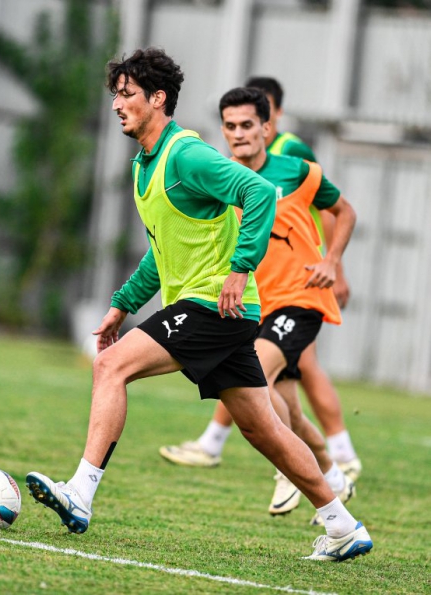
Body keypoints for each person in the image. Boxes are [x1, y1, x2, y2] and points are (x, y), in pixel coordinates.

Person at [25, 48, 372, 561]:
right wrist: (122, 305)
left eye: (127, 94)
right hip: (221, 311)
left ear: (158, 98)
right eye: (115, 95)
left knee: (111, 365)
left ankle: (80, 492)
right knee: (265, 429)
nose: (116, 104)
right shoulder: (145, 165)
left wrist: (240, 268)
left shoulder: (185, 154)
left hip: (214, 304)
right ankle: (343, 526)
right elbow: (160, 252)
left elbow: (259, 192)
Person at [160, 76, 361, 516]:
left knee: (259, 382)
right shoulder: (218, 179)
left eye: (247, 125)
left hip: (300, 300)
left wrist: (332, 262)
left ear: (267, 128)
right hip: (256, 306)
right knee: (291, 410)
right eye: (230, 126)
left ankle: (287, 472)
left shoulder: (297, 171)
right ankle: (332, 475)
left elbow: (344, 210)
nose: (238, 134)